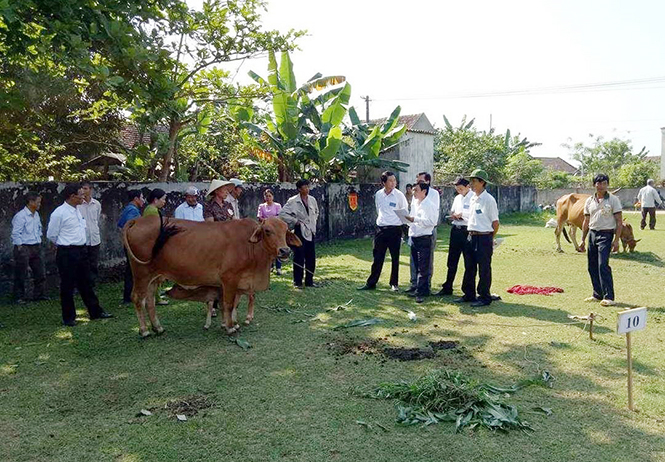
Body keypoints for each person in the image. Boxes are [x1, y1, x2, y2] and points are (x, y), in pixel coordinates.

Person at [47, 184, 112, 326]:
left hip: (82, 250)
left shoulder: (77, 210)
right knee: (68, 286)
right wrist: (65, 245)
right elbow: (51, 234)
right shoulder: (59, 213)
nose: (83, 197)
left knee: (86, 283)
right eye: (80, 195)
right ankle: (69, 317)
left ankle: (95, 311)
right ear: (72, 196)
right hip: (67, 252)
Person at [456, 169, 499, 307]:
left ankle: (484, 296)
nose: (472, 184)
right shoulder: (473, 198)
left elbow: (495, 223)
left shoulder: (488, 200)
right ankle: (469, 294)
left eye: (474, 181)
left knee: (484, 267)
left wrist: (490, 238)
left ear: (482, 182)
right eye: (471, 181)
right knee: (469, 266)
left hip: (484, 237)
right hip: (471, 236)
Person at [358, 171, 407, 292]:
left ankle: (394, 283)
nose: (393, 183)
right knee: (377, 257)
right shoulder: (379, 194)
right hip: (381, 229)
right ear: (383, 182)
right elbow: (378, 209)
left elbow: (404, 211)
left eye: (394, 180)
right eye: (390, 180)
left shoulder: (399, 195)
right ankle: (371, 283)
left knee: (395, 258)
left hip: (395, 229)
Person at [579, 174, 622, 307]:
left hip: (606, 234)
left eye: (603, 183)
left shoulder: (613, 200)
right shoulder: (589, 201)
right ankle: (597, 294)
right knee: (592, 265)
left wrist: (616, 240)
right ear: (594, 185)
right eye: (598, 183)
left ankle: (609, 297)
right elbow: (586, 221)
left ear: (607, 184)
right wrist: (582, 239)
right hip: (592, 233)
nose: (601, 185)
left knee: (603, 265)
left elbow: (619, 221)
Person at [436, 177, 473, 296]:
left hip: (467, 230)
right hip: (456, 230)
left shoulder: (474, 198)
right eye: (457, 189)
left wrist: (463, 215)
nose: (460, 191)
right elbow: (453, 211)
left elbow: (475, 215)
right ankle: (448, 286)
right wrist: (454, 215)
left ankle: (467, 290)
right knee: (452, 260)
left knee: (469, 261)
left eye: (461, 189)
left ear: (468, 186)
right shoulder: (457, 198)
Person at [280, 179, 320, 288]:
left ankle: (309, 281)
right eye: (304, 187)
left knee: (311, 257)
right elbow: (282, 214)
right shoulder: (293, 201)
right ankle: (297, 282)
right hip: (299, 231)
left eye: (308, 186)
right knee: (299, 256)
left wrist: (313, 221)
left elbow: (316, 212)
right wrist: (295, 221)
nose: (307, 189)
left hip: (311, 231)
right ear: (299, 189)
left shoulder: (312, 200)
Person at [404, 182, 439, 303]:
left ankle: (421, 292)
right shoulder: (415, 203)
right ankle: (419, 289)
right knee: (416, 264)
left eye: (416, 190)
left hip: (424, 237)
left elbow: (432, 222)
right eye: (413, 190)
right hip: (414, 236)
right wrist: (407, 220)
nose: (413, 193)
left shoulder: (429, 205)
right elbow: (412, 219)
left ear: (424, 191)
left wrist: (415, 219)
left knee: (423, 266)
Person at [11, 191, 47, 304]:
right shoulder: (21, 216)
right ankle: (18, 296)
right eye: (38, 202)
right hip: (24, 246)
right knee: (21, 273)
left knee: (40, 272)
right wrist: (20, 246)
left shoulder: (36, 214)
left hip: (35, 245)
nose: (39, 204)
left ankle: (39, 294)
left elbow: (38, 229)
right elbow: (16, 233)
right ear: (31, 202)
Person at [118, 190, 144, 304]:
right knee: (132, 270)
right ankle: (129, 296)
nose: (143, 200)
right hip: (132, 244)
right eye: (142, 197)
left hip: (129, 243)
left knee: (131, 269)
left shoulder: (129, 209)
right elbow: (131, 227)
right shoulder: (132, 211)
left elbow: (120, 225)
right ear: (136, 199)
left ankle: (129, 296)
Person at [143, 188, 168, 305]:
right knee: (156, 272)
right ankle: (155, 297)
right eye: (163, 199)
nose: (164, 202)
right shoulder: (151, 211)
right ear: (155, 199)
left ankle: (157, 294)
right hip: (153, 244)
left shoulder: (152, 209)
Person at [77, 181, 102, 284]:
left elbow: (97, 218)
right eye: (82, 189)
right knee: (82, 263)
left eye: (86, 188)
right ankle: (82, 283)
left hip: (94, 238)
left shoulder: (96, 204)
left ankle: (92, 282)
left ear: (91, 190)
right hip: (82, 238)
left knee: (93, 263)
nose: (83, 191)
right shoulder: (78, 205)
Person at [257, 188, 283, 275]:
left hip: (275, 230)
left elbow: (279, 216)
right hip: (266, 229)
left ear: (273, 196)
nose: (268, 198)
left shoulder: (277, 205)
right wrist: (266, 221)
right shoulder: (261, 206)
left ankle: (278, 267)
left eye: (270, 196)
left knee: (277, 246)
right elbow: (259, 217)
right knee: (266, 247)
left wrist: (271, 221)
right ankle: (269, 266)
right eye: (266, 196)